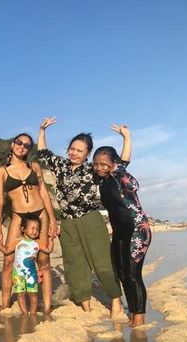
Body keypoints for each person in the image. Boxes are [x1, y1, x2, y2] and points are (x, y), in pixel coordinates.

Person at [37, 117, 125, 318]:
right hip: (67, 223)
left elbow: (121, 163)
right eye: (72, 148)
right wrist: (42, 130)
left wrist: (126, 138)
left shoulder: (93, 169)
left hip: (90, 220)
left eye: (79, 151)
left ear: (87, 155)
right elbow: (43, 152)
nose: (73, 153)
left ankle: (115, 300)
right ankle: (85, 305)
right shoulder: (60, 165)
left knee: (102, 262)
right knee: (75, 265)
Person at [0, 133, 58, 316]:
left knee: (43, 260)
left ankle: (46, 307)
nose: (22, 146)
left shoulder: (35, 166)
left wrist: (52, 220)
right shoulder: (1, 171)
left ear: (30, 149)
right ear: (12, 144)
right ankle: (5, 303)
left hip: (40, 215)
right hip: (18, 217)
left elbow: (44, 194)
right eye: (19, 142)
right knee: (8, 261)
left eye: (27, 145)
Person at [93, 125, 152, 327]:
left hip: (137, 229)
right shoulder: (102, 182)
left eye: (103, 164)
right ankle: (134, 312)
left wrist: (127, 136)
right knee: (122, 273)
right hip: (119, 232)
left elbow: (133, 182)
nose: (99, 167)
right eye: (95, 164)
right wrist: (126, 138)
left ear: (114, 163)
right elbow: (122, 160)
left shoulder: (119, 175)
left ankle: (139, 317)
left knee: (133, 274)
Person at [0, 214, 54, 315]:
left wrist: (51, 239)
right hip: (18, 274)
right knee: (20, 294)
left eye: (37, 229)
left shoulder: (38, 243)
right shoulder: (17, 242)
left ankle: (33, 313)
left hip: (31, 274)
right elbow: (6, 251)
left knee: (33, 294)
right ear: (23, 229)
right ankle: (25, 313)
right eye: (32, 228)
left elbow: (48, 250)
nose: (35, 231)